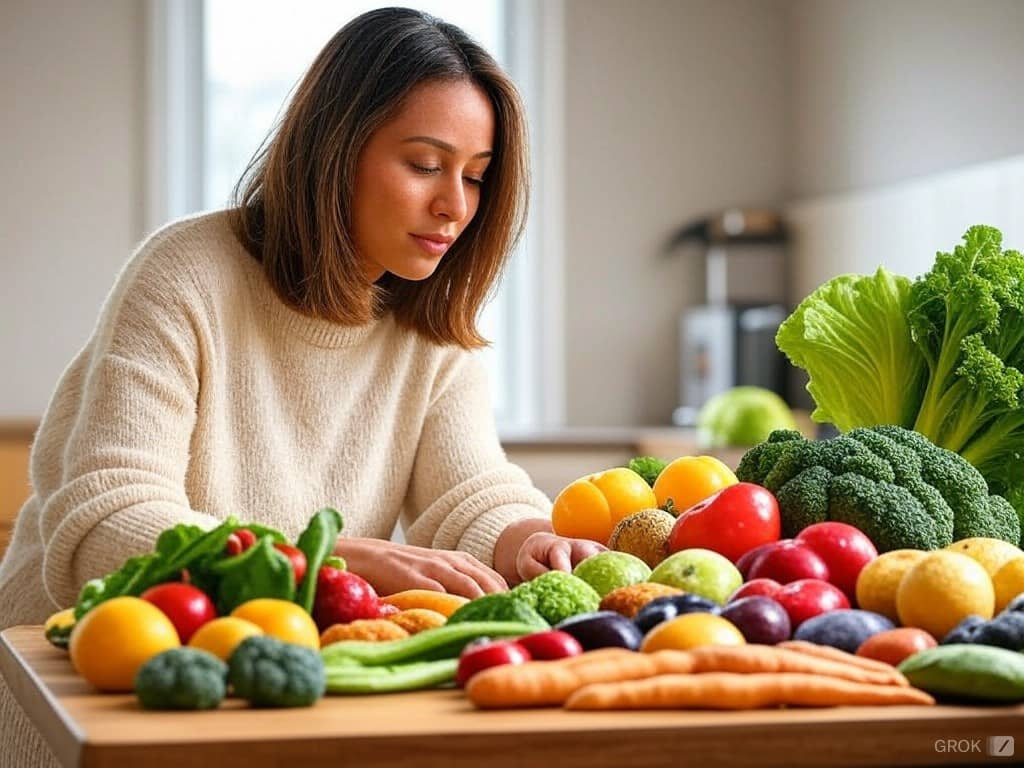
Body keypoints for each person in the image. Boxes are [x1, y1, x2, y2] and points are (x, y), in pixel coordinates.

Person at [0, 8, 604, 764]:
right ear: (335, 149)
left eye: (476, 177)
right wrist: (325, 558)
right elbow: (105, 522)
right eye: (424, 165)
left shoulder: (426, 325)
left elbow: (470, 490)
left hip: (250, 685)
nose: (456, 205)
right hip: (71, 687)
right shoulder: (188, 274)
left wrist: (530, 540)